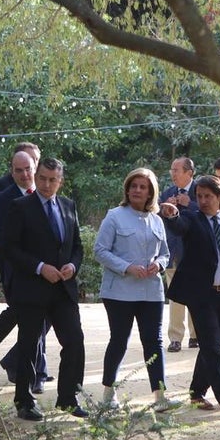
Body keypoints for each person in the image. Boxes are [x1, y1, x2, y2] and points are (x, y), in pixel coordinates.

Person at [1, 157, 88, 421]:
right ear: (36, 177)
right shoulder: (20, 207)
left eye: (52, 180)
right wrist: (40, 267)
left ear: (60, 182)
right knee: (28, 345)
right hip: (31, 288)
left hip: (63, 288)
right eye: (42, 178)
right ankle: (24, 401)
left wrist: (73, 265)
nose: (46, 184)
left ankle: (68, 398)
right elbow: (8, 248)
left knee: (74, 341)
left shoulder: (68, 206)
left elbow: (77, 247)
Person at [160, 175, 220, 413]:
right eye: (198, 196)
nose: (202, 201)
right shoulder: (192, 219)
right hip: (201, 296)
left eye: (208, 196)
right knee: (211, 344)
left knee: (214, 344)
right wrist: (172, 215)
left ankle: (197, 392)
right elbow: (180, 225)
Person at [93, 168, 179, 412]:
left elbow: (164, 253)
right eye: (133, 186)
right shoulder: (114, 216)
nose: (137, 191)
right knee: (119, 340)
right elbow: (100, 251)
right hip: (119, 291)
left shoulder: (156, 220)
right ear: (127, 190)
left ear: (151, 192)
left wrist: (159, 264)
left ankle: (160, 396)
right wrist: (127, 267)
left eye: (143, 187)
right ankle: (109, 395)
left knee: (154, 342)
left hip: (151, 291)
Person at [0, 149, 47, 394]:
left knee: (40, 315)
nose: (25, 175)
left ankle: (19, 363)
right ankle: (23, 367)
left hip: (44, 270)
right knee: (22, 313)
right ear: (12, 171)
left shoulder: (47, 192)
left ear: (35, 167)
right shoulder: (5, 198)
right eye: (18, 170)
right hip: (14, 269)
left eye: (28, 169)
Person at [162, 157, 199, 351]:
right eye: (172, 170)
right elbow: (155, 217)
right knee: (175, 297)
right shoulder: (167, 193)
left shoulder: (200, 191)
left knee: (195, 294)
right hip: (173, 252)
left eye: (176, 170)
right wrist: (164, 208)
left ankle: (196, 336)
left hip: (195, 254)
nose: (173, 173)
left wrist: (190, 204)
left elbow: (211, 213)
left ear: (189, 173)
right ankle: (175, 338)